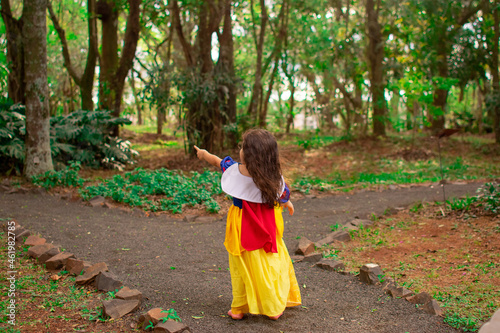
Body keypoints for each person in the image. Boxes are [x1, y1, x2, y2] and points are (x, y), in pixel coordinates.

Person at [194, 129, 301, 321]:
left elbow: (216, 160)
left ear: (249, 154)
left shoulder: (235, 171)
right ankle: (273, 307)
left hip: (241, 226)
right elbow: (282, 195)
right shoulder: (272, 177)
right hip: (266, 227)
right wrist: (288, 203)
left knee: (240, 266)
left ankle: (239, 308)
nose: (240, 149)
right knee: (267, 264)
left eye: (243, 147)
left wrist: (203, 154)